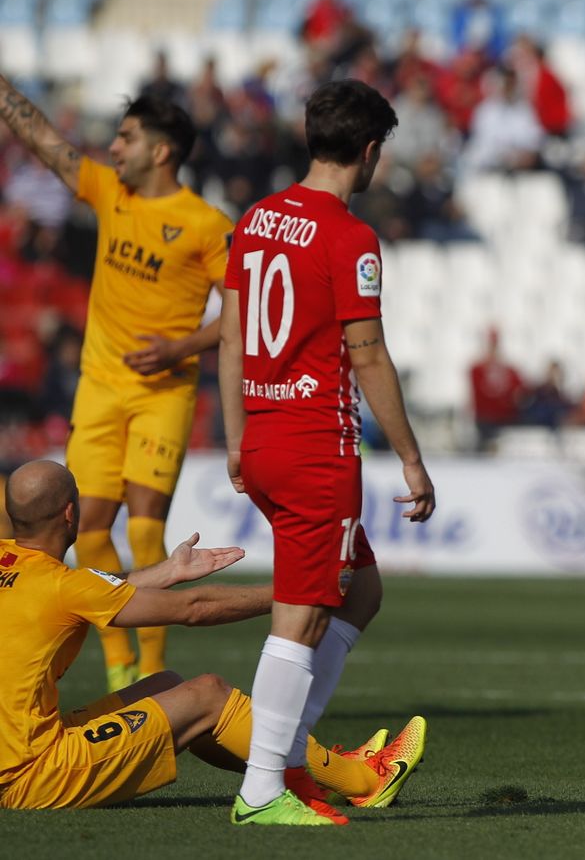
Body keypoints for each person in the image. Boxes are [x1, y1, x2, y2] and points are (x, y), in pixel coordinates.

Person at [220, 79, 436, 826]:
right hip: (317, 446)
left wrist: (233, 434)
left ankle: (287, 753)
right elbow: (367, 353)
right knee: (302, 619)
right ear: (371, 151)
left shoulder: (255, 219)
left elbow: (228, 333)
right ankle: (261, 789)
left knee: (361, 590)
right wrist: (410, 456)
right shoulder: (349, 237)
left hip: (263, 434)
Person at [0, 460, 420, 817]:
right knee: (207, 694)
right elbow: (193, 608)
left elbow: (85, 591)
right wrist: (299, 594)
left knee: (169, 686)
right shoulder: (64, 586)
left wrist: (166, 573)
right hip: (32, 773)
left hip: (16, 752)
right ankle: (363, 781)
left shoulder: (25, 568)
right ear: (71, 513)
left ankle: (300, 773)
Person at [0, 74, 233, 692]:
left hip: (165, 391)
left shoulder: (205, 224)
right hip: (99, 387)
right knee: (92, 527)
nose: (114, 149)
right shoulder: (109, 192)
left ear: (161, 150)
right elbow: (47, 142)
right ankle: (119, 660)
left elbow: (244, 312)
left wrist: (181, 347)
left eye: (127, 138)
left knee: (144, 527)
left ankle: (152, 666)